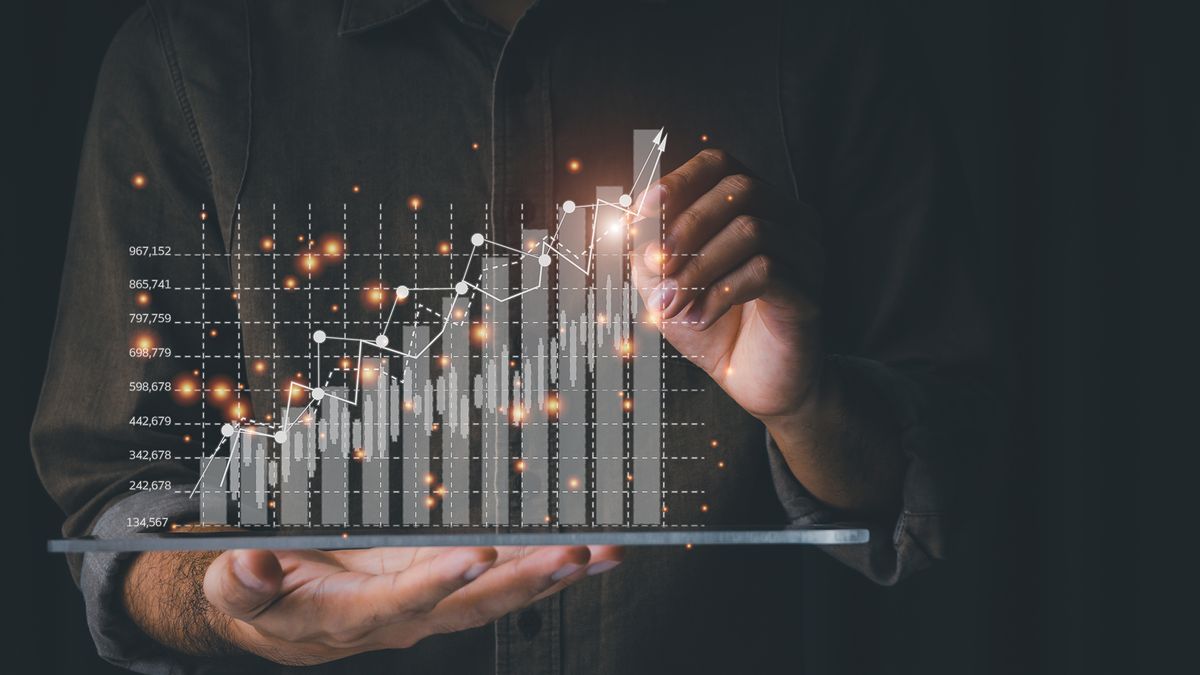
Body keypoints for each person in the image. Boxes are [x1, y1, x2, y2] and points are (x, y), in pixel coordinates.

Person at [31, 0, 993, 672]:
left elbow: (954, 481)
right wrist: (220, 600)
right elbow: (117, 506)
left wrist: (805, 404)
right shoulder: (188, 58)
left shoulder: (817, 43)